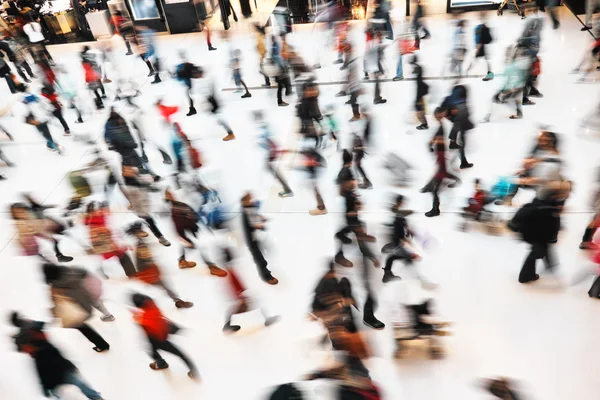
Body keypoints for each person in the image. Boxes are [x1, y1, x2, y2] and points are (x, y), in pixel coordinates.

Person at [10, 312, 104, 399]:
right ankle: (97, 398)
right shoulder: (41, 343)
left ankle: (96, 397)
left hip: (53, 373)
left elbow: (41, 369)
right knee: (77, 382)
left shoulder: (37, 349)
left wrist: (45, 387)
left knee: (68, 386)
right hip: (59, 368)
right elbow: (42, 325)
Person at [508, 182, 571, 283]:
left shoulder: (536, 204)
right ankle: (525, 276)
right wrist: (553, 238)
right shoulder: (550, 212)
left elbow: (522, 214)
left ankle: (550, 266)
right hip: (538, 235)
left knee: (543, 250)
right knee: (536, 252)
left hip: (532, 233)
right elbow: (553, 227)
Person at [42, 263, 112, 351]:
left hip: (75, 310)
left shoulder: (56, 286)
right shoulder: (72, 272)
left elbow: (57, 303)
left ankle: (102, 345)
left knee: (82, 327)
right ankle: (103, 341)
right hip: (86, 303)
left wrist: (53, 313)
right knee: (84, 326)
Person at [131, 293, 199, 379]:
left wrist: (138, 317)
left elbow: (148, 324)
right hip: (159, 333)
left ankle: (192, 370)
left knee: (177, 353)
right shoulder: (152, 305)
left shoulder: (145, 319)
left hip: (158, 339)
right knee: (153, 352)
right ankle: (161, 363)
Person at [126, 223, 194, 308]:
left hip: (148, 270)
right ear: (136, 233)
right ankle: (178, 301)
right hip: (147, 271)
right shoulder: (140, 244)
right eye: (140, 230)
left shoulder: (140, 242)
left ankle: (177, 301)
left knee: (163, 287)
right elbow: (144, 258)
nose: (143, 231)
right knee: (164, 286)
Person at [164, 189, 228, 276]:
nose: (172, 195)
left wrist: (195, 218)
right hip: (188, 231)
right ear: (168, 197)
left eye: (171, 194)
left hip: (191, 229)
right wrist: (185, 238)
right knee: (202, 246)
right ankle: (211, 267)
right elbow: (179, 225)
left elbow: (190, 213)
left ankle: (182, 261)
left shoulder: (178, 204)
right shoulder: (174, 208)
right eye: (169, 195)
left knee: (196, 245)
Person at [421, 108, 461, 217]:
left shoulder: (442, 126)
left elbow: (441, 138)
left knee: (438, 180)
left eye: (435, 114)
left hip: (441, 153)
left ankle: (435, 209)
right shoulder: (440, 125)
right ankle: (455, 179)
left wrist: (433, 142)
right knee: (441, 171)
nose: (434, 116)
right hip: (440, 153)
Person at [84, 201, 137, 278]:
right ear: (92, 211)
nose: (100, 211)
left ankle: (131, 274)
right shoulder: (94, 220)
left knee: (121, 255)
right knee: (122, 255)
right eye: (97, 210)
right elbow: (102, 234)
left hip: (105, 244)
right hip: (104, 244)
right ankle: (132, 274)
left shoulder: (94, 218)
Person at [381, 195, 421, 282]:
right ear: (399, 202)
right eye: (402, 202)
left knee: (396, 257)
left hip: (397, 240)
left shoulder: (399, 214)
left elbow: (403, 222)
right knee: (406, 257)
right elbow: (398, 228)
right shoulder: (396, 212)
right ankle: (418, 279)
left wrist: (408, 229)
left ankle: (387, 274)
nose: (403, 203)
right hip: (397, 240)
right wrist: (405, 241)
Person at [241, 192, 279, 285]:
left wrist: (262, 219)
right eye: (249, 199)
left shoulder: (251, 208)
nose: (251, 201)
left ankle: (262, 268)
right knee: (259, 258)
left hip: (256, 236)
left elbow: (256, 216)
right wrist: (261, 225)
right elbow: (254, 224)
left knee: (260, 252)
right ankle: (266, 276)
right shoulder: (247, 210)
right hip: (252, 238)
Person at [256, 110, 294, 197]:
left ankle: (287, 189)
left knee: (276, 172)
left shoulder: (266, 135)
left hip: (271, 156)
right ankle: (286, 188)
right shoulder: (267, 132)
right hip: (271, 155)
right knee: (274, 172)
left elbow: (271, 146)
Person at [445, 85, 474, 169]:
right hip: (462, 117)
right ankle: (463, 162)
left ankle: (453, 144)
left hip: (459, 116)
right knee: (462, 141)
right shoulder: (462, 103)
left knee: (457, 129)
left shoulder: (452, 100)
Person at [467, 13, 494, 81]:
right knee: (485, 60)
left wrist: (478, 47)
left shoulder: (480, 28)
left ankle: (467, 71)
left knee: (476, 58)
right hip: (484, 46)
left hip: (481, 46)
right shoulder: (484, 27)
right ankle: (468, 71)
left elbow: (479, 39)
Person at [411, 54, 429, 130]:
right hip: (420, 91)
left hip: (420, 91)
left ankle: (424, 124)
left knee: (419, 108)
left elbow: (415, 72)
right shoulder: (419, 68)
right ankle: (424, 123)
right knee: (418, 108)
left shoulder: (418, 68)